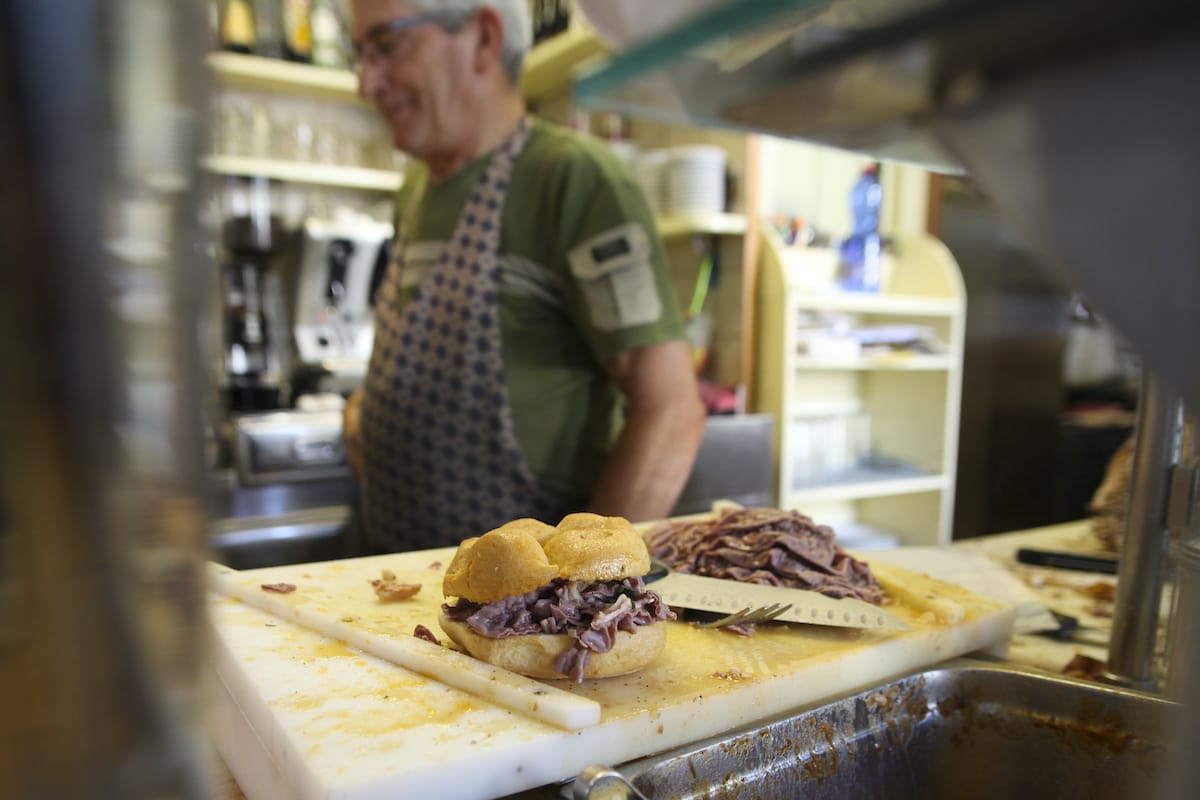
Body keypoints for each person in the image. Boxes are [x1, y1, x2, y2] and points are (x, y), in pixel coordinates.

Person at [343, 0, 707, 553]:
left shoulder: (573, 179)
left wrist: (573, 595)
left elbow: (672, 410)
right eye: (360, 55)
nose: (366, 84)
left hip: (518, 619)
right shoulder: (415, 190)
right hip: (399, 584)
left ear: (484, 39)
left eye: (387, 47)